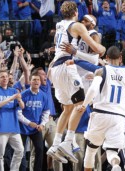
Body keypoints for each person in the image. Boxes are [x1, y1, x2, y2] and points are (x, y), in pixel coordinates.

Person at [47, 1, 105, 164]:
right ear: (76, 13)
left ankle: (56, 144)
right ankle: (68, 141)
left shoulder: (59, 25)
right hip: (66, 66)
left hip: (55, 69)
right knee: (81, 103)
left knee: (67, 108)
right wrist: (101, 49)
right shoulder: (77, 26)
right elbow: (96, 47)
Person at [76, 46, 125, 171]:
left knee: (91, 149)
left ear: (106, 58)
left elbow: (92, 90)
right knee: (112, 150)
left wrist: (84, 105)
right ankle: (115, 164)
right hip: (118, 117)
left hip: (101, 114)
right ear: (120, 58)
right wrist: (124, 101)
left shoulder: (101, 71)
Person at [18, 71, 50, 171]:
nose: (36, 81)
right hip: (23, 127)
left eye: (38, 80)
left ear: (40, 82)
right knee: (20, 151)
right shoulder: (23, 94)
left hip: (36, 128)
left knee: (40, 149)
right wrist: (28, 123)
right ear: (30, 82)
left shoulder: (44, 96)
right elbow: (18, 113)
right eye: (34, 79)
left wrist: (42, 124)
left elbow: (46, 112)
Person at [0, 70, 24, 171]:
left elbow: (22, 107)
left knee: (20, 150)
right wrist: (10, 99)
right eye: (2, 77)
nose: (5, 78)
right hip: (1, 127)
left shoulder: (13, 91)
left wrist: (19, 99)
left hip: (13, 127)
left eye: (6, 76)